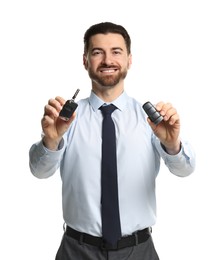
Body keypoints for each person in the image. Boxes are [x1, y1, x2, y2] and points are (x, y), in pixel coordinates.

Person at [29, 21, 196, 260]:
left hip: (139, 251)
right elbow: (39, 171)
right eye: (97, 52)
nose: (108, 60)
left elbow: (185, 170)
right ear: (85, 61)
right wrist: (50, 141)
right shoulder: (65, 120)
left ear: (129, 59)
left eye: (116, 51)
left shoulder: (152, 120)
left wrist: (172, 145)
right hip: (76, 251)